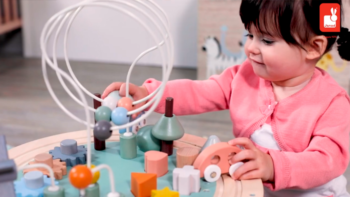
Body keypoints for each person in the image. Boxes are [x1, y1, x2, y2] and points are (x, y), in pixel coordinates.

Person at [102, 0, 350, 196]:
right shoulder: (243, 76)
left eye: (266, 40)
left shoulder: (333, 103)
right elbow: (199, 92)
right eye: (249, 36)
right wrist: (150, 95)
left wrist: (274, 166)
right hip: (250, 187)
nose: (251, 47)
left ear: (313, 47)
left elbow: (327, 161)